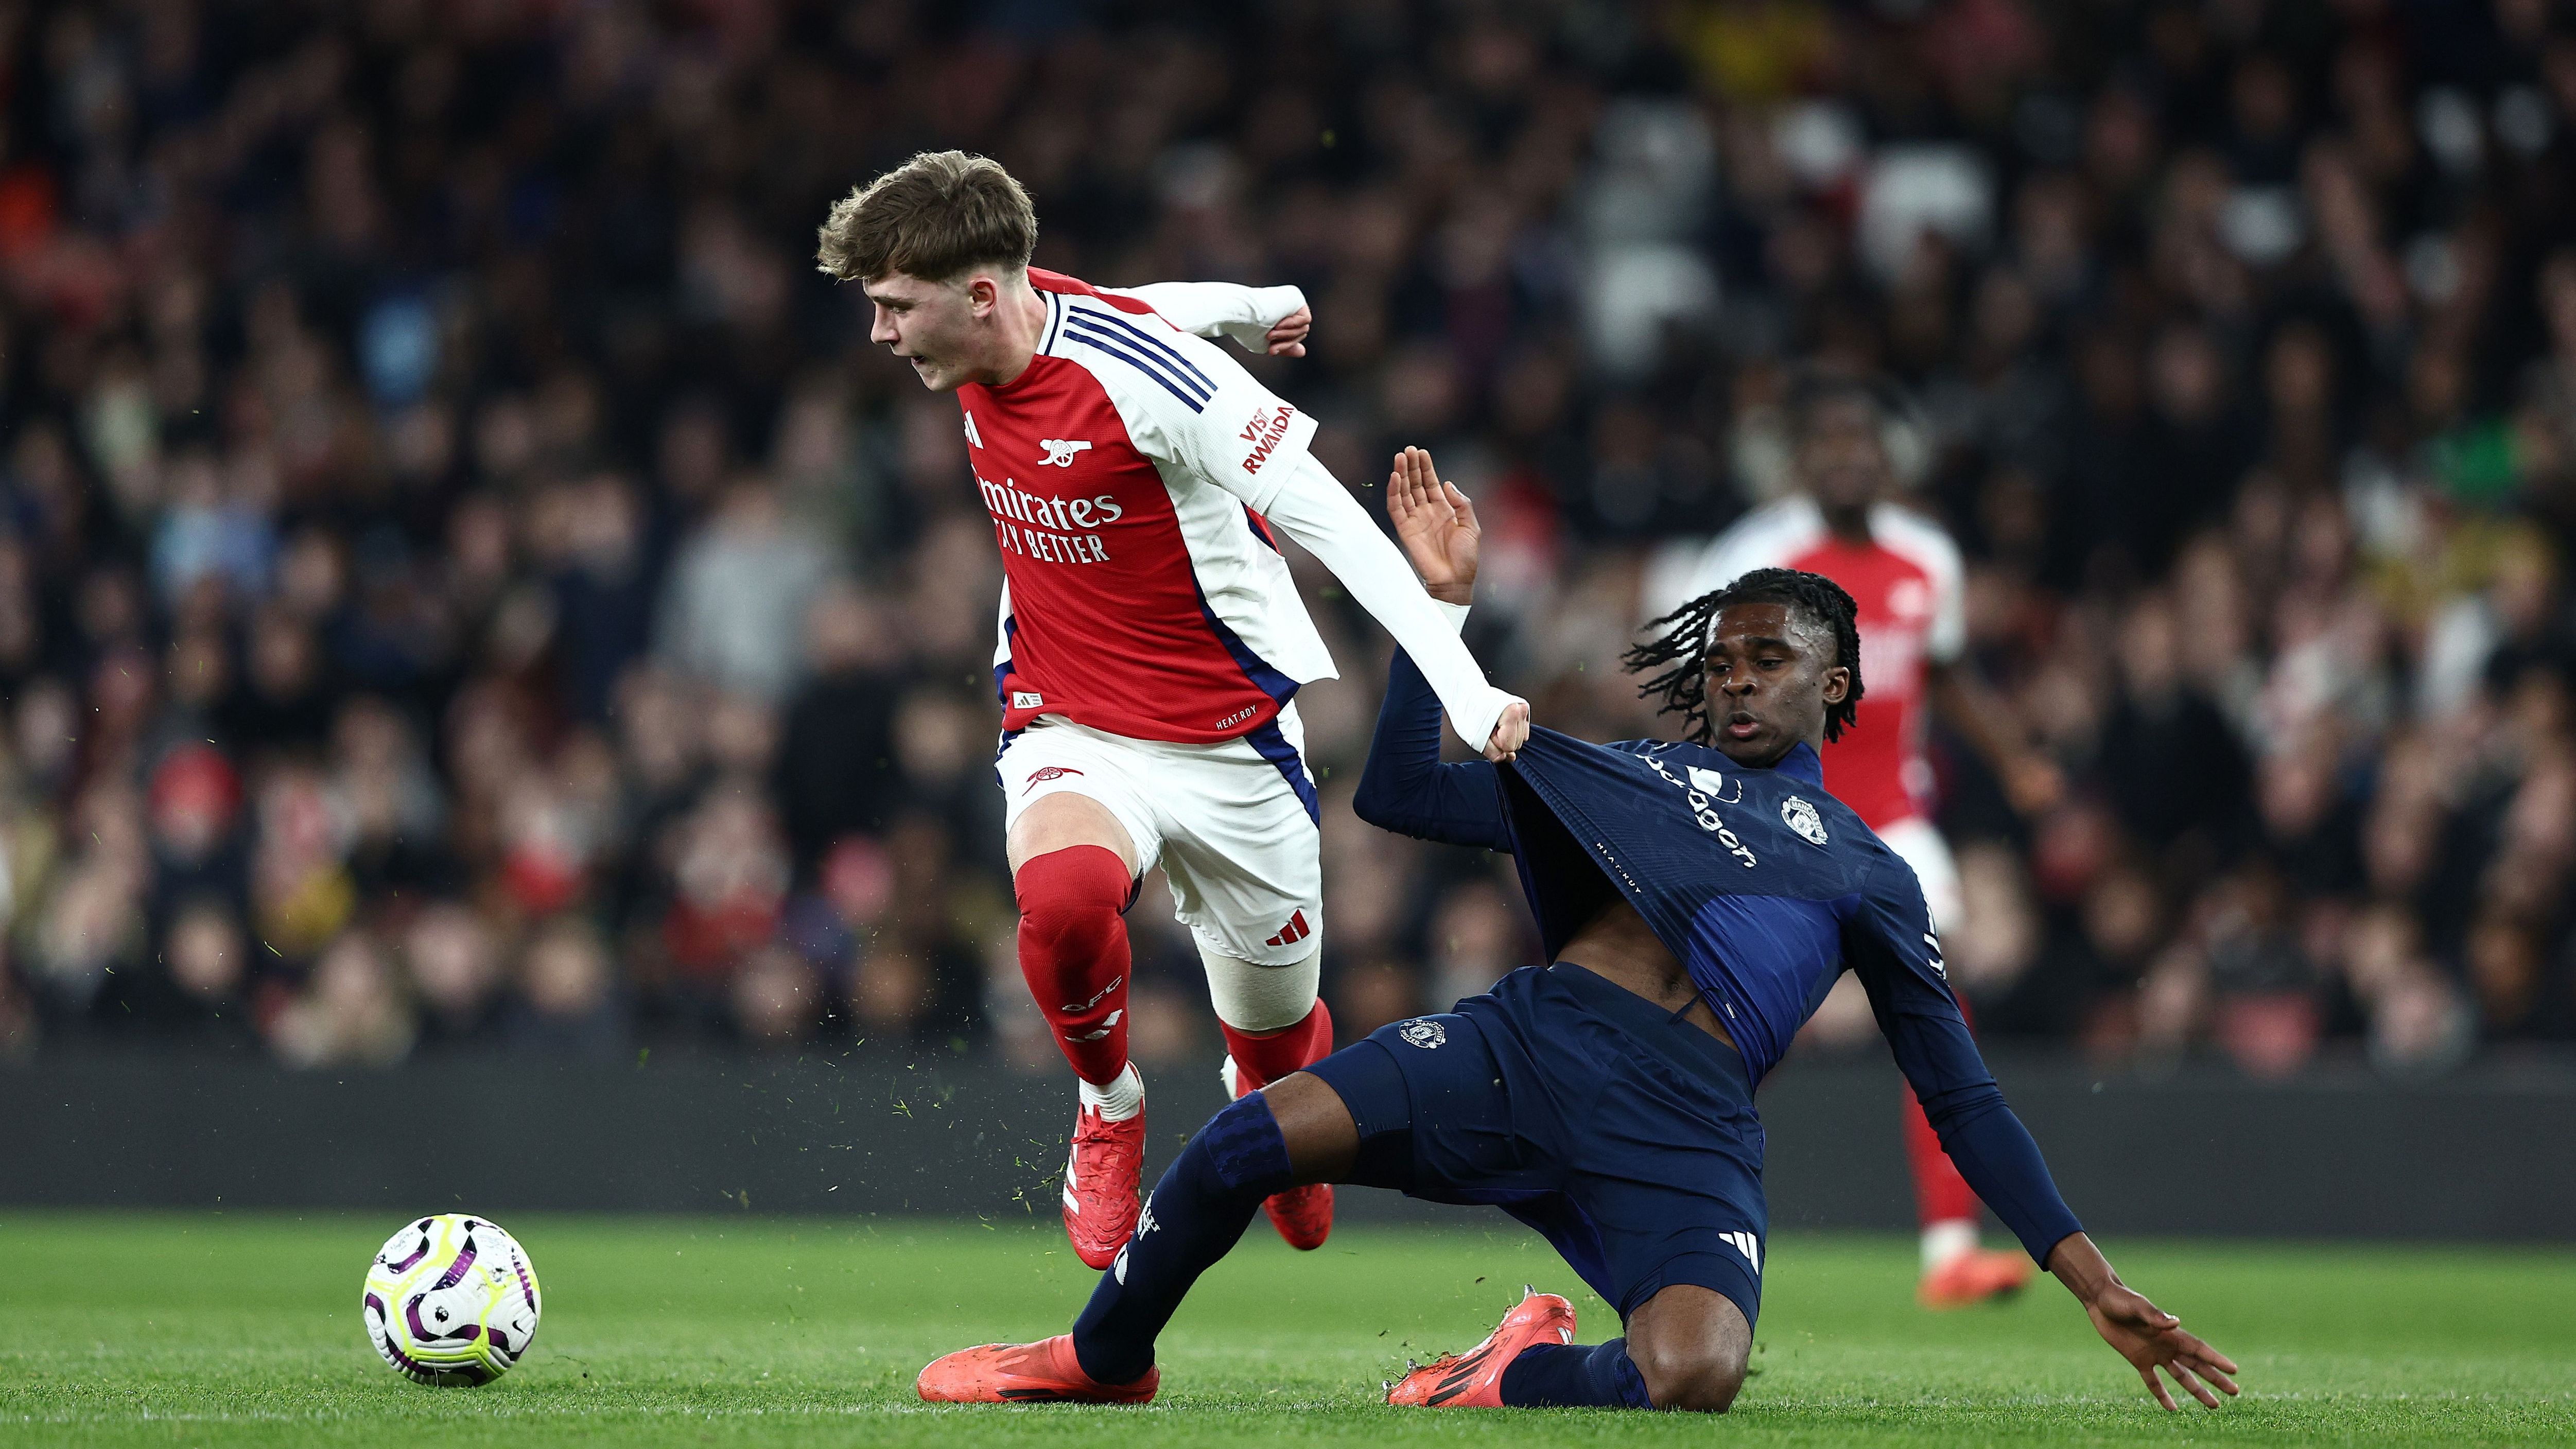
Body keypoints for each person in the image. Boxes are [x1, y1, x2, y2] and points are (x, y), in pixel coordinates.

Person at [915, 450, 2239, 1413]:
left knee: (1698, 1377)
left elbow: (1961, 1096)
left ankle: (1513, 1372)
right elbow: (1404, 794)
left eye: (1766, 660)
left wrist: (2088, 1275)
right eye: (1718, 659)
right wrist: (1437, 611)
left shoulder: (1872, 873)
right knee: (1238, 1148)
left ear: (1837, 683)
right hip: (1529, 1045)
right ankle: (1104, 1356)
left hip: (1690, 1124)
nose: (1732, 679)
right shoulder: (1629, 775)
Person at [814, 152, 1530, 1269]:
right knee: (1059, 900)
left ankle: (1269, 1093)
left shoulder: (1163, 384)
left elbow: (1333, 522)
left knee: (1282, 1044)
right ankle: (1111, 1104)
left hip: (1232, 745)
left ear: (982, 295)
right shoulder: (1005, 327)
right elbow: (1140, 303)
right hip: (1071, 725)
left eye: (898, 308)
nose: (883, 334)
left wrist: (1464, 678)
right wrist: (1252, 304)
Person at [1653, 370, 2065, 1307]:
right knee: (1740, 1014)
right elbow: (1693, 675)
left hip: (1892, 820)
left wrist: (2016, 764)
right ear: (1802, 461)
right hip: (1774, 819)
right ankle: (1671, 1209)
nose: (1850, 457)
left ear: (1889, 459)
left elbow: (1948, 673)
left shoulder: (1929, 558)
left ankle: (1951, 1248)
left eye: (1864, 441)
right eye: (1830, 443)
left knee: (1936, 1001)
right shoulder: (1758, 555)